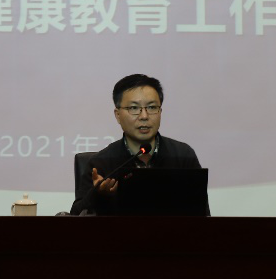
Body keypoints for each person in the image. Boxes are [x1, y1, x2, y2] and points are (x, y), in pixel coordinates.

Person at [70, 73, 205, 215]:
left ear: (160, 111)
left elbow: (203, 214)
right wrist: (98, 194)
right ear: (117, 115)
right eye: (134, 108)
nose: (144, 116)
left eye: (152, 107)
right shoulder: (101, 163)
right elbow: (75, 214)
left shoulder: (183, 156)